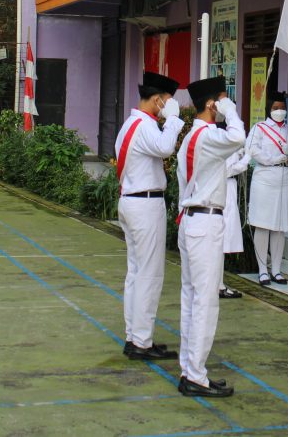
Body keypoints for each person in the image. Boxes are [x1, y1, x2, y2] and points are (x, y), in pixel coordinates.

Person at [175, 76, 245, 398]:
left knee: (191, 299)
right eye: (222, 99)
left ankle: (190, 369)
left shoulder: (192, 137)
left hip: (191, 221)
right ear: (210, 104)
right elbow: (238, 137)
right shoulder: (209, 136)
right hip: (205, 222)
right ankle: (196, 375)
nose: (226, 104)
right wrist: (232, 112)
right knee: (205, 301)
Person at [114, 72, 183, 360]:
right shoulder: (144, 126)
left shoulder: (131, 124)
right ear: (157, 100)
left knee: (136, 273)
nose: (169, 106)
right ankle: (141, 341)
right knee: (149, 274)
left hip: (132, 201)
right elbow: (166, 148)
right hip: (145, 204)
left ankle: (135, 336)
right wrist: (175, 119)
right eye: (168, 101)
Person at [246, 92, 288, 285]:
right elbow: (252, 149)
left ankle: (276, 270)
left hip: (285, 178)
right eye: (275, 108)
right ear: (269, 109)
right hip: (265, 177)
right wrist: (272, 159)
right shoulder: (259, 128)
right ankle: (263, 269)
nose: (280, 111)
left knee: (280, 226)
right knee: (263, 224)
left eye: (282, 108)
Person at [219, 147, 249, 299]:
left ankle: (219, 283)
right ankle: (218, 285)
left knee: (222, 240)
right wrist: (246, 158)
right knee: (221, 240)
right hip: (223, 189)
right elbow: (227, 170)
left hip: (226, 187)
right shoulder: (220, 140)